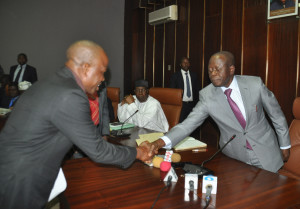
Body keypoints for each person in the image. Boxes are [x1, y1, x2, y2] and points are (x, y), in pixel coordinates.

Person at [0, 40, 152, 209]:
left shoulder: (50, 83)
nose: (103, 79)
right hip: (19, 182)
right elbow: (98, 151)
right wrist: (137, 153)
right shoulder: (71, 94)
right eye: (101, 72)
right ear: (86, 67)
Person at [149, 51, 291, 173]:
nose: (213, 74)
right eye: (210, 70)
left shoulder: (255, 84)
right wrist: (158, 143)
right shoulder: (207, 95)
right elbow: (187, 125)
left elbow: (277, 115)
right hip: (235, 158)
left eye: (217, 69)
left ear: (231, 69)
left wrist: (284, 145)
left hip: (266, 152)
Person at [170, 57, 200, 122]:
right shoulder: (175, 76)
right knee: (181, 124)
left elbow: (197, 90)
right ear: (180, 64)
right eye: (184, 62)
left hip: (192, 105)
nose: (186, 64)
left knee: (192, 125)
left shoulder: (194, 75)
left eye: (187, 62)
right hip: (181, 106)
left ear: (189, 64)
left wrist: (197, 104)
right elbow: (172, 92)